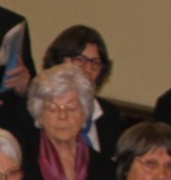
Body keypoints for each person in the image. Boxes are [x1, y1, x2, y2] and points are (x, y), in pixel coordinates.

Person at [38, 25, 125, 158]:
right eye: (80, 60)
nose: (88, 69)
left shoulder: (110, 116)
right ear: (58, 61)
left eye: (95, 63)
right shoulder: (40, 109)